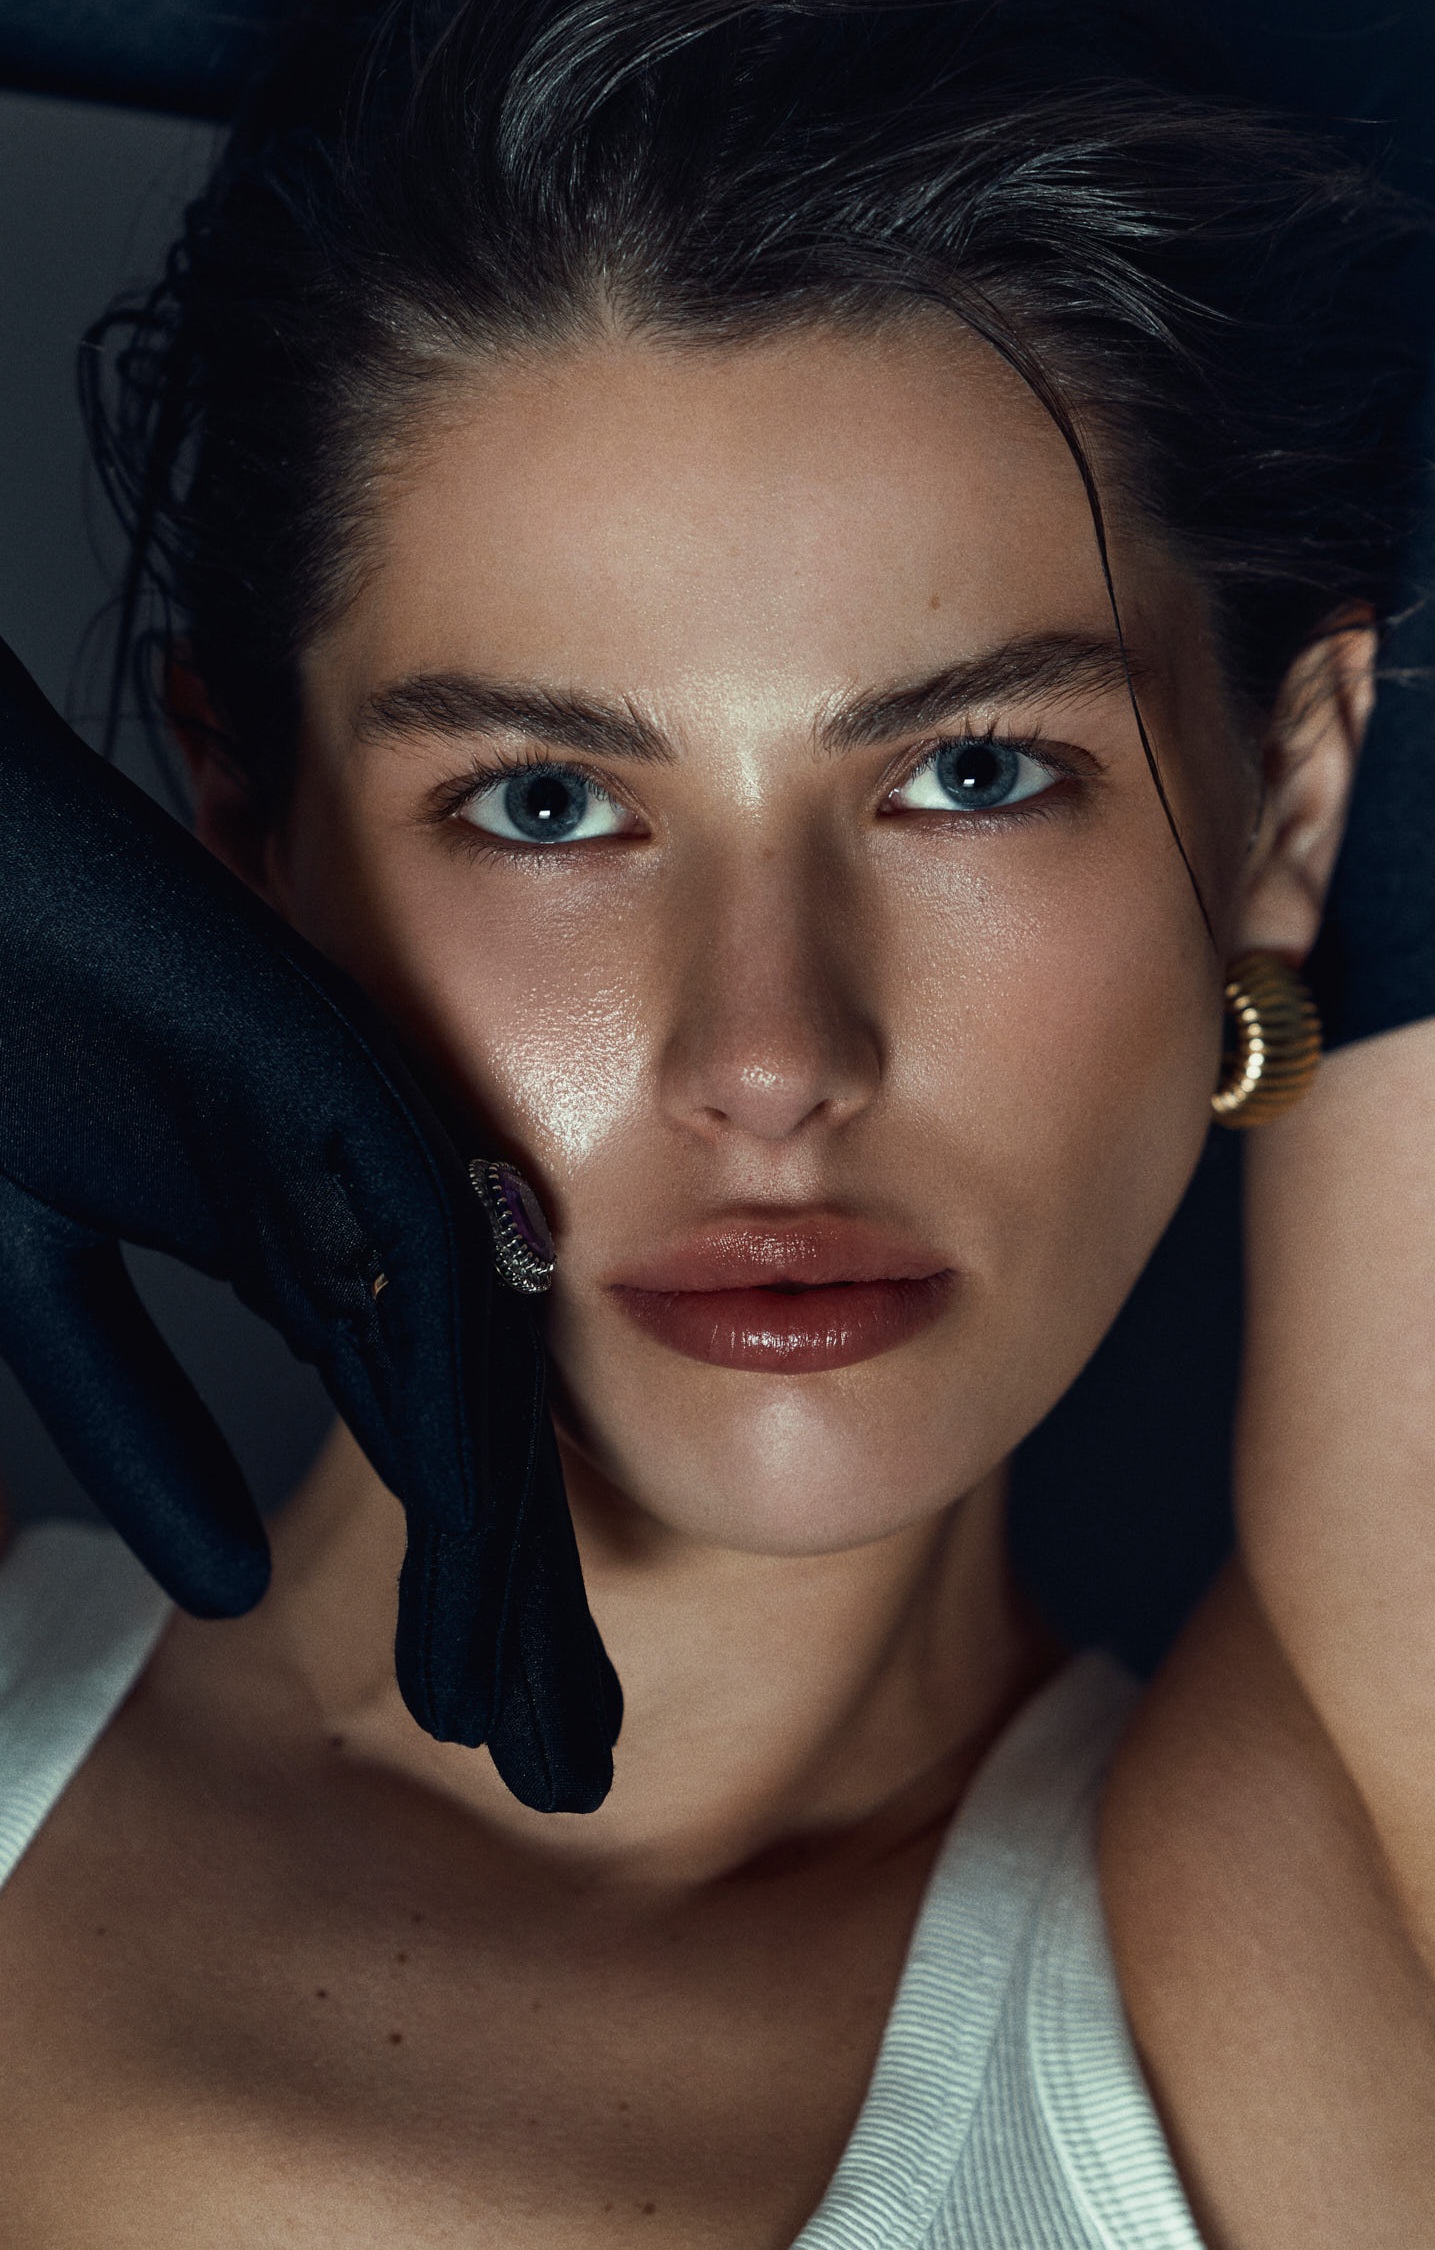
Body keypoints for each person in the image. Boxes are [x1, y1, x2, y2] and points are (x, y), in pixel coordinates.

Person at [3, 0, 1435, 2241]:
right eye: (546, 802)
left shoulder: (1354, 1920)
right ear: (241, 840)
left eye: (971, 772)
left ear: (1299, 800)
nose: (769, 1056)